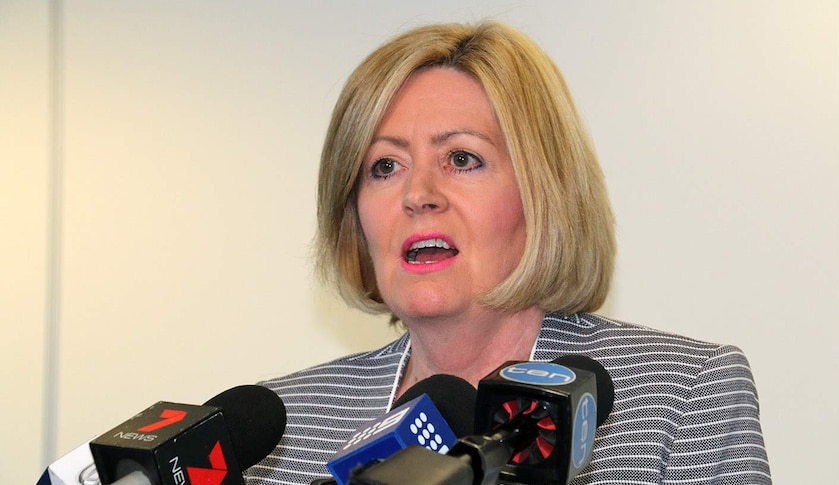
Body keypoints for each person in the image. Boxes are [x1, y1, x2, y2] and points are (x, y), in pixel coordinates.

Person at [244, 21, 770, 485]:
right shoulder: (281, 429)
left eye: (462, 158)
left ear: (542, 194)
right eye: (385, 166)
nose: (417, 193)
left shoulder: (685, 399)